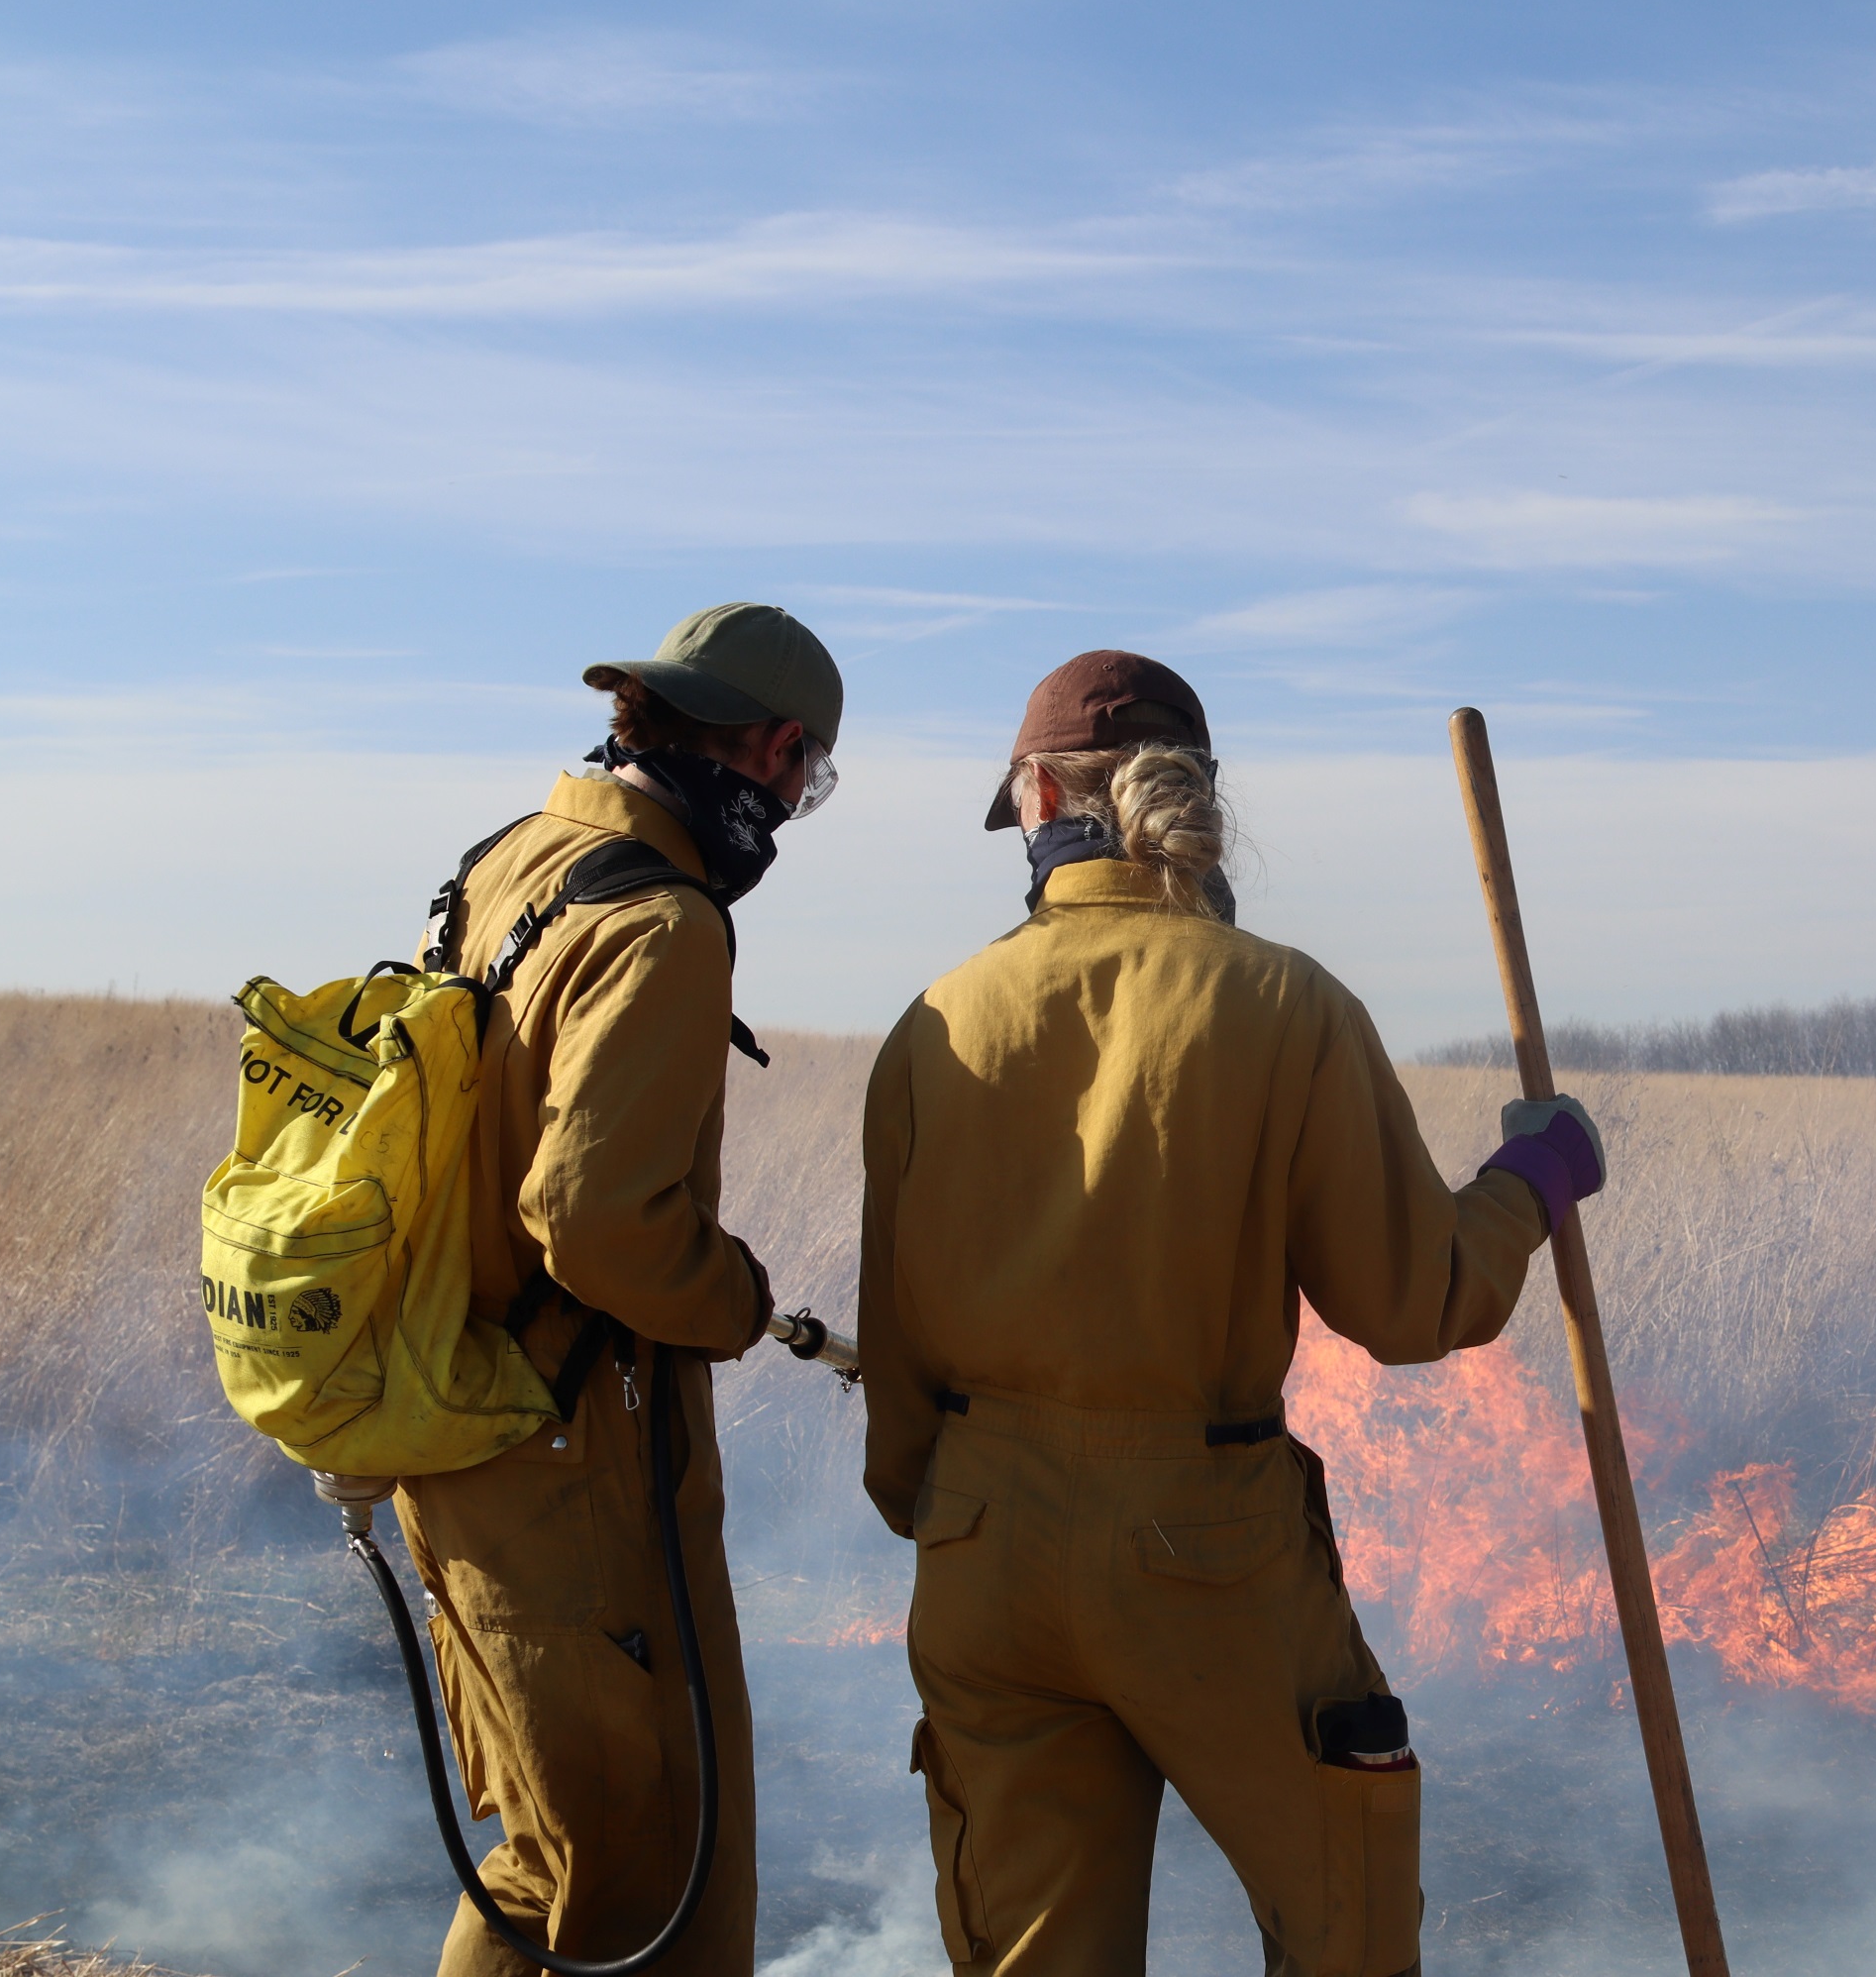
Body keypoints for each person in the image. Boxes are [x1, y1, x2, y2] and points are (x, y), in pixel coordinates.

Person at [858, 650, 1607, 1977]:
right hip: (1201, 1547)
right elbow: (1413, 1301)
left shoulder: (935, 1022)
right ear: (1197, 800)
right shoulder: (1285, 1004)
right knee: (1344, 1926)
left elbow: (896, 1360)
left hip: (978, 1549)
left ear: (1038, 796)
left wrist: (956, 1515)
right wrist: (1528, 1182)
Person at [393, 602, 846, 1977]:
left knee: (554, 1850)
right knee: (647, 1869)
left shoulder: (513, 862)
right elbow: (593, 1223)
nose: (792, 806)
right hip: (573, 1453)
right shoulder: (663, 919)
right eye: (804, 780)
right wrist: (735, 1302)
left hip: (459, 1414)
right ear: (771, 750)